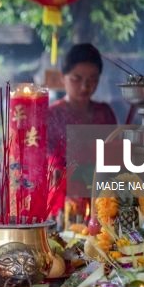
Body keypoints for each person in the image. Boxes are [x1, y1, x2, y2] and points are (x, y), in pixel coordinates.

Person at [47, 44, 116, 226]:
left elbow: (115, 156)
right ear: (63, 77)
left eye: (93, 79)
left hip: (101, 199)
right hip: (63, 202)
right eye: (77, 78)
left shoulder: (105, 113)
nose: (85, 86)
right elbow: (47, 161)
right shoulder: (51, 115)